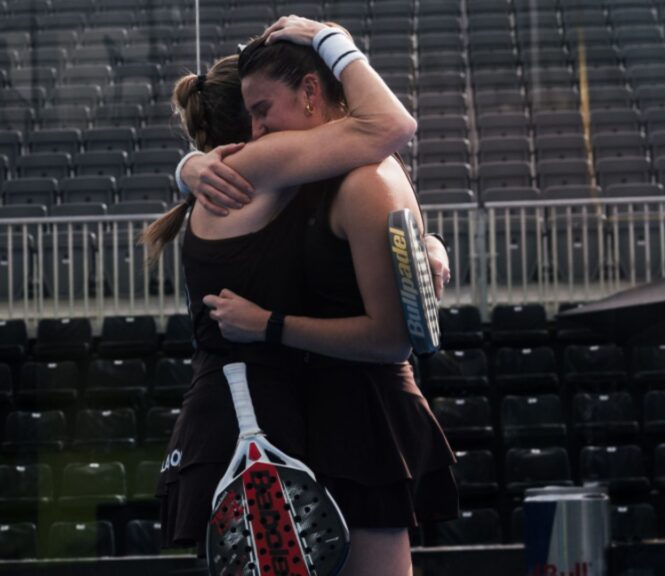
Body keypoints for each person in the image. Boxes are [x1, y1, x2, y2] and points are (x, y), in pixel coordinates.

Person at [179, 18, 459, 576]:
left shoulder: (339, 179)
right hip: (281, 410)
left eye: (266, 112)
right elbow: (393, 122)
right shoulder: (278, 167)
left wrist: (427, 244)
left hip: (321, 407)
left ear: (310, 93)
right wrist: (336, 40)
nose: (260, 131)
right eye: (252, 115)